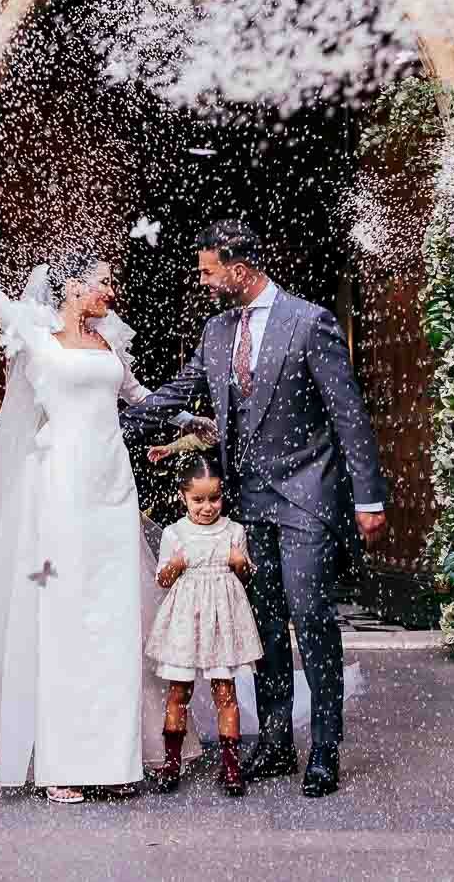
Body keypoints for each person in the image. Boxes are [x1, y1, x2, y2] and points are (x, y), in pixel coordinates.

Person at [124, 220, 389, 798]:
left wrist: (369, 495)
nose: (203, 281)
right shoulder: (217, 331)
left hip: (307, 496)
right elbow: (178, 391)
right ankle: (273, 739)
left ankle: (323, 747)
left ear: (238, 269)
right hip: (248, 503)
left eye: (208, 270)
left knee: (312, 616)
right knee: (264, 624)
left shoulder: (310, 322)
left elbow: (348, 414)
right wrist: (108, 419)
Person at [0, 244, 169, 802]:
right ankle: (61, 763)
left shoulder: (111, 343)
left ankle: (114, 759)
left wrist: (192, 420)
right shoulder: (36, 337)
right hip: (60, 489)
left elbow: (141, 399)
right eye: (102, 282)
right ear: (69, 287)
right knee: (64, 618)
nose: (109, 293)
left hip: (112, 491)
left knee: (113, 620)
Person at [146, 452, 261, 798]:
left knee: (224, 692)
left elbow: (246, 576)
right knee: (178, 691)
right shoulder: (175, 533)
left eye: (214, 498)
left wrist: (241, 562)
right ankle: (171, 762)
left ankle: (230, 765)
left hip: (222, 621)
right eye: (198, 500)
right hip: (185, 620)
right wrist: (177, 564)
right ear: (183, 497)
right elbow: (162, 580)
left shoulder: (234, 532)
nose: (207, 507)